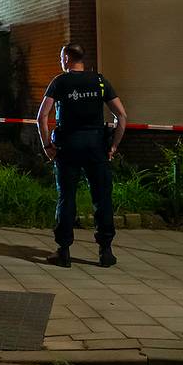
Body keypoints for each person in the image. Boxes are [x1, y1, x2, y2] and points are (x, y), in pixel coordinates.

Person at [37, 43, 128, 268]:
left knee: (66, 197)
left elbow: (42, 116)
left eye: (61, 57)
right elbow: (122, 116)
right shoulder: (99, 81)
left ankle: (64, 250)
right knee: (102, 198)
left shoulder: (60, 82)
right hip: (96, 146)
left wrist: (47, 145)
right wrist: (113, 145)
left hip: (68, 147)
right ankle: (105, 251)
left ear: (68, 58)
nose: (60, 61)